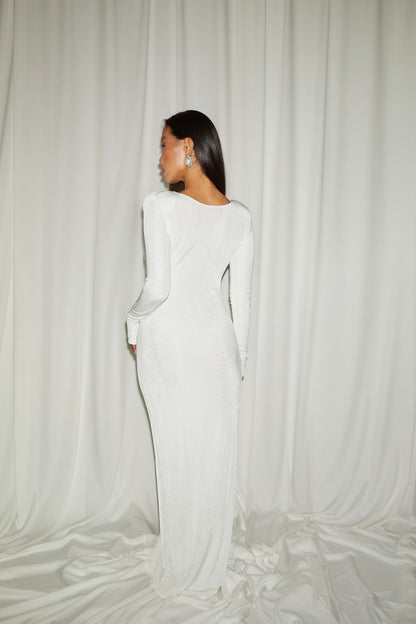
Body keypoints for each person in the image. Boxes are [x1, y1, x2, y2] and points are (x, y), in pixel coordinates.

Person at [126, 110, 254, 598]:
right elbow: (240, 301)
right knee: (213, 459)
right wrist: (237, 363)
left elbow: (158, 288)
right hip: (220, 350)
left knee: (178, 454)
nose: (159, 158)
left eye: (164, 145)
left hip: (172, 346)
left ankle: (183, 563)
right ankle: (208, 560)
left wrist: (132, 320)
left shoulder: (159, 206)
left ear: (189, 147)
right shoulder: (240, 217)